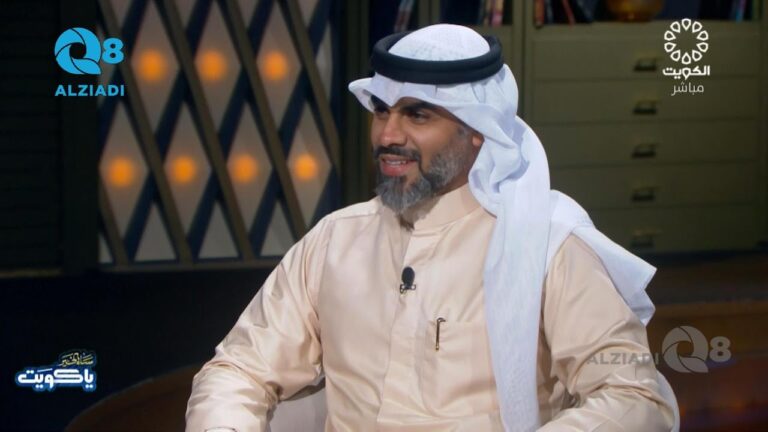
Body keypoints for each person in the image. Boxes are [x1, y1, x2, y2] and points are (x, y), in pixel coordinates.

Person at [186, 24, 678, 431]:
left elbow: (633, 398)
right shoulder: (335, 239)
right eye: (382, 112)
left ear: (477, 131)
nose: (388, 135)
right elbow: (239, 368)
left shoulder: (548, 245)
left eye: (417, 115)